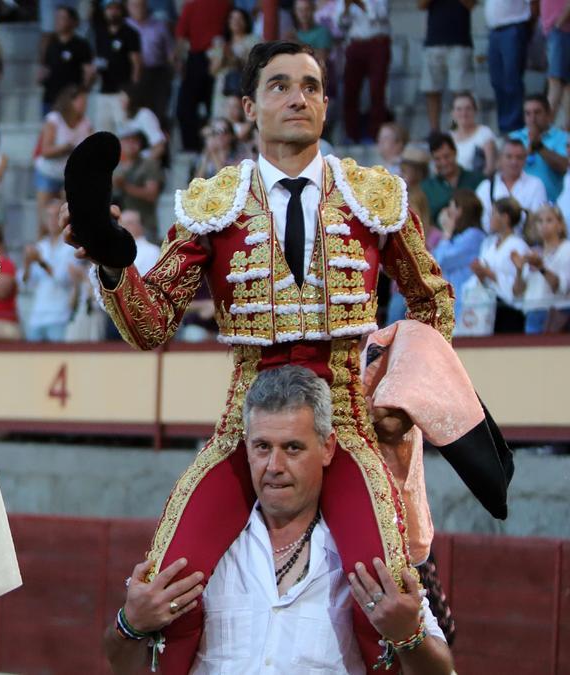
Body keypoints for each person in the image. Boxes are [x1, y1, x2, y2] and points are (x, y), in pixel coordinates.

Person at [68, 40, 454, 672]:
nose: (297, 96)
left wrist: (398, 398)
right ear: (249, 106)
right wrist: (113, 259)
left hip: (347, 428)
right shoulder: (213, 205)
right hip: (243, 430)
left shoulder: (375, 196)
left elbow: (433, 303)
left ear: (327, 102)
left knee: (385, 600)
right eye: (279, 85)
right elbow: (149, 323)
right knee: (167, 588)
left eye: (311, 85)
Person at [107, 365, 454, 673]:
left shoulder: (362, 548)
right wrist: (129, 625)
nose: (274, 467)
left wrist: (410, 638)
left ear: (328, 448)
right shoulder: (209, 546)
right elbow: (123, 665)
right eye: (262, 447)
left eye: (292, 448)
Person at [176, 0, 232, 153]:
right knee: (188, 107)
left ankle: (206, 147)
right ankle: (195, 148)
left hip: (217, 58)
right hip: (199, 58)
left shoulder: (225, 5)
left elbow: (181, 39)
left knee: (212, 107)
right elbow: (181, 39)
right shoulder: (192, 6)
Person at [470, 196, 530, 333]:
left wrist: (488, 273)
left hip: (509, 311)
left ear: (505, 218)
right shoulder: (489, 245)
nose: (490, 219)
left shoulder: (518, 246)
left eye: (493, 214)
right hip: (488, 308)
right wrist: (480, 274)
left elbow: (519, 287)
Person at [25, 199, 79, 342]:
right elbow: (27, 284)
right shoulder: (40, 246)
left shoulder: (72, 246)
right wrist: (27, 263)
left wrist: (40, 261)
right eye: (49, 216)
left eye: (56, 216)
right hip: (37, 315)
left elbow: (64, 279)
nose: (52, 220)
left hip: (59, 316)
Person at [35, 85, 92, 214]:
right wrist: (66, 148)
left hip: (70, 177)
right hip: (48, 173)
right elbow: (45, 150)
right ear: (70, 101)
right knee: (45, 217)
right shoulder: (54, 119)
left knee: (69, 216)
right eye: (81, 100)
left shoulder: (86, 123)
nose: (85, 104)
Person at [513, 203, 570, 332]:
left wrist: (541, 267)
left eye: (549, 220)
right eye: (540, 221)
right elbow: (518, 292)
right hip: (531, 313)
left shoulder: (567, 249)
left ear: (560, 225)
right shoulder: (533, 252)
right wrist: (519, 270)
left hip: (555, 314)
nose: (543, 225)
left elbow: (561, 287)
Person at [419, 0, 475, 133]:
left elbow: (471, 5)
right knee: (432, 89)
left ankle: (455, 129)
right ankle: (434, 131)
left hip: (460, 41)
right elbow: (421, 5)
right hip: (434, 41)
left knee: (459, 91)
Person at [340, 0, 392, 143]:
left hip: (378, 43)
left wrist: (360, 3)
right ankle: (351, 134)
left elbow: (379, 16)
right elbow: (341, 25)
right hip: (355, 44)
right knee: (350, 90)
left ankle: (376, 135)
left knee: (377, 90)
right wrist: (346, 8)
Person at [433, 189, 487, 323]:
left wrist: (446, 232)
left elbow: (441, 261)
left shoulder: (474, 236)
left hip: (465, 305)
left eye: (451, 207)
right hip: (450, 304)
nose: (448, 212)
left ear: (460, 210)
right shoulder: (458, 237)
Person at [93, 0, 143, 135]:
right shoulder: (100, 33)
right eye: (109, 9)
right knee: (102, 133)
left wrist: (131, 90)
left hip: (122, 91)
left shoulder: (130, 33)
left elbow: (136, 63)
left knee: (124, 132)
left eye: (116, 9)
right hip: (104, 90)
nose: (113, 12)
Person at [475, 138, 547, 230]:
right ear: (500, 158)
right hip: (493, 241)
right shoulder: (486, 187)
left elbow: (538, 219)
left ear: (525, 159)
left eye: (519, 157)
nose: (514, 162)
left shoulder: (536, 185)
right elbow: (482, 220)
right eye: (509, 157)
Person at [509, 95, 570, 202]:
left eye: (537, 113)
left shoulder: (563, 138)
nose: (532, 119)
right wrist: (523, 154)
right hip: (518, 203)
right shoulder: (514, 137)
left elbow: (564, 166)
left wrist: (539, 146)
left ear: (548, 114)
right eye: (528, 113)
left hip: (551, 205)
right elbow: (501, 167)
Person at [125, 0, 173, 129]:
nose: (138, 9)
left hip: (156, 74)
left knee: (158, 113)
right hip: (130, 75)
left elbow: (170, 54)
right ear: (128, 7)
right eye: (135, 6)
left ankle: (159, 144)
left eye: (141, 5)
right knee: (133, 113)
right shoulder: (124, 27)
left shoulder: (159, 26)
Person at [486, 0, 532, 133]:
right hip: (494, 30)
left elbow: (534, 4)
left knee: (512, 80)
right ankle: (504, 127)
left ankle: (514, 128)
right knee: (497, 81)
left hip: (513, 28)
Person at [39, 7, 95, 115]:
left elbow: (89, 72)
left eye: (62, 18)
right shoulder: (50, 44)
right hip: (50, 99)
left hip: (71, 101)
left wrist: (82, 91)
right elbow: (45, 69)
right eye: (56, 18)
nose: (58, 21)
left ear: (72, 21)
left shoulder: (81, 45)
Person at [421, 132, 485, 224]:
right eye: (437, 159)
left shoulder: (477, 180)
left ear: (455, 153)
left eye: (447, 156)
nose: (443, 162)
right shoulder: (426, 188)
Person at [113, 129, 164, 239]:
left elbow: (152, 195)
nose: (131, 144)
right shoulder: (113, 166)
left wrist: (125, 186)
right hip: (118, 224)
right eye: (127, 141)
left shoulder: (149, 164)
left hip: (144, 224)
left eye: (135, 141)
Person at [207, 8, 257, 119]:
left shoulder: (253, 40)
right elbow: (212, 71)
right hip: (221, 88)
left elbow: (254, 67)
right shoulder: (221, 42)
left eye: (240, 18)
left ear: (246, 21)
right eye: (233, 18)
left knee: (241, 120)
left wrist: (232, 57)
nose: (236, 21)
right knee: (221, 121)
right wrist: (222, 55)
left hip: (242, 87)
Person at [450, 92, 497, 177]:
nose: (464, 113)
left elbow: (490, 168)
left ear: (475, 111)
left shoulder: (484, 133)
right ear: (453, 113)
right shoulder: (449, 137)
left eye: (468, 108)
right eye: (459, 109)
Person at [545, 0, 570, 125]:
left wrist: (558, 25)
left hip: (561, 31)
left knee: (555, 82)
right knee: (565, 86)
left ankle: (545, 131)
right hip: (557, 31)